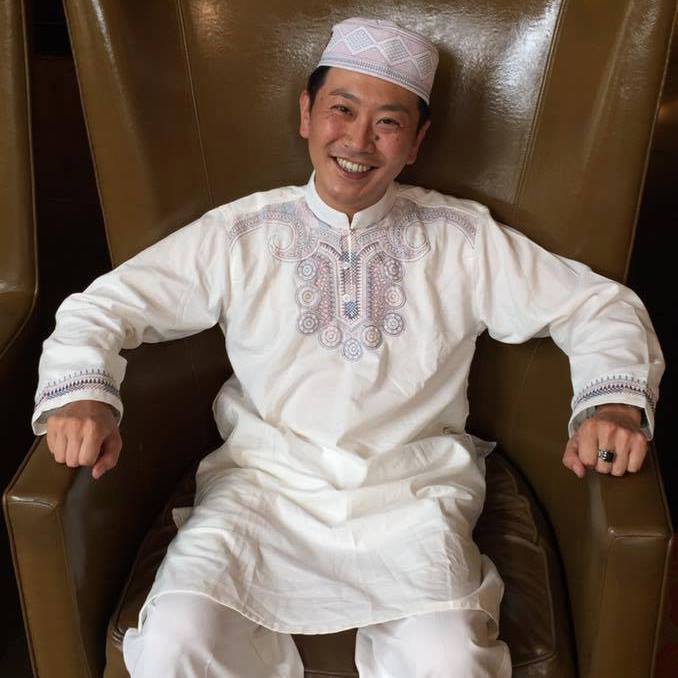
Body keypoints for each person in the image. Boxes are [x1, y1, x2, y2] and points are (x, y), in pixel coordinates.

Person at [32, 17, 663, 678]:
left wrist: (612, 406)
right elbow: (106, 305)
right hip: (263, 488)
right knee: (174, 641)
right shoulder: (244, 233)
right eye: (342, 110)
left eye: (388, 123)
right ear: (306, 114)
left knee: (449, 659)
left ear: (415, 143)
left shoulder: (461, 238)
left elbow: (597, 304)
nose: (359, 140)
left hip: (412, 492)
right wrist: (84, 396)